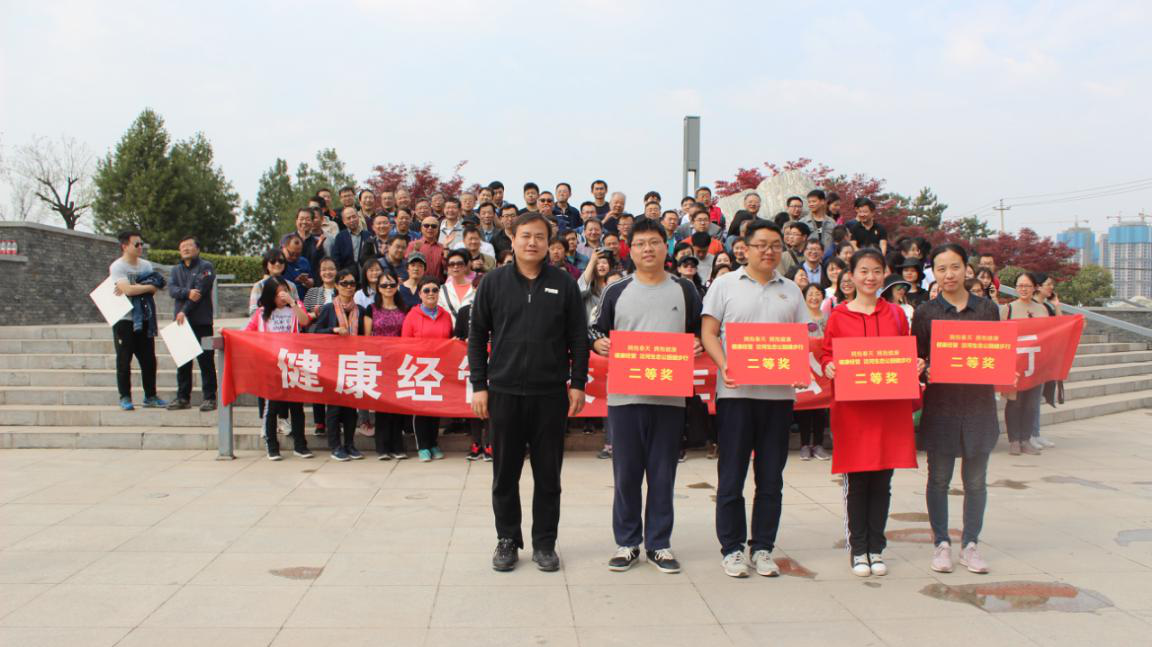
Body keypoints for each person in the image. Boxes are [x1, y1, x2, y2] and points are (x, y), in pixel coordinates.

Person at [468, 212, 590, 573]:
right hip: (503, 392)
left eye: (539, 236)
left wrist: (578, 383)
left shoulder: (564, 284)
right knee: (504, 473)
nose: (532, 243)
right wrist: (479, 386)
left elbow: (578, 338)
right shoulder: (493, 283)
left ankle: (545, 543)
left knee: (548, 475)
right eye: (525, 236)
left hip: (549, 394)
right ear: (512, 238)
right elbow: (477, 336)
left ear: (549, 243)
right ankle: (507, 539)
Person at [590, 219, 702, 574]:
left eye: (654, 242)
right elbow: (594, 328)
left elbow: (701, 329)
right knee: (626, 475)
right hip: (625, 398)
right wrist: (599, 342)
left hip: (670, 398)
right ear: (631, 250)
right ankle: (627, 542)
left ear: (666, 247)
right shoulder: (616, 290)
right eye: (640, 243)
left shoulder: (685, 289)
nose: (648, 249)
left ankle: (659, 544)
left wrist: (699, 343)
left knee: (663, 474)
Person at [700, 220, 808, 578]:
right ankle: (731, 548)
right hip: (736, 395)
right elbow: (709, 332)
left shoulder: (791, 290)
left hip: (778, 398)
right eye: (761, 244)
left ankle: (762, 547)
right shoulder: (725, 284)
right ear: (744, 248)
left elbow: (800, 339)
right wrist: (724, 364)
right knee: (731, 476)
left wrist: (802, 367)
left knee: (771, 478)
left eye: (775, 245)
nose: (769, 251)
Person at [821, 248, 921, 576]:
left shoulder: (895, 314)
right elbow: (826, 354)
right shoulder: (839, 315)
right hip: (854, 412)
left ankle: (876, 547)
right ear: (851, 275)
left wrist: (914, 364)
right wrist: (829, 365)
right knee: (858, 480)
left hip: (887, 409)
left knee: (882, 480)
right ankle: (858, 547)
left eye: (876, 271)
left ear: (884, 274)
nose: (870, 277)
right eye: (863, 271)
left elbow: (905, 351)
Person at [911, 243, 1002, 575]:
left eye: (954, 267)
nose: (948, 274)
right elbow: (917, 358)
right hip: (942, 407)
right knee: (938, 479)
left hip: (979, 408)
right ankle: (941, 543)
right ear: (933, 273)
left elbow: (996, 353)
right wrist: (924, 368)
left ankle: (971, 544)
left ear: (967, 269)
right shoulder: (925, 312)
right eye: (941, 269)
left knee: (976, 481)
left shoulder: (987, 309)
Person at [243, 276, 313, 460]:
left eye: (284, 292)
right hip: (271, 366)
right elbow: (247, 332)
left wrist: (293, 303)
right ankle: (272, 445)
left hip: (292, 363)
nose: (282, 296)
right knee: (272, 407)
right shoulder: (261, 313)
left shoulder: (295, 307)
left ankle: (300, 445)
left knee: (296, 407)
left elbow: (305, 321)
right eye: (277, 293)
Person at [312, 269, 368, 462]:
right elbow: (315, 332)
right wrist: (333, 330)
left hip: (353, 363)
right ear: (336, 286)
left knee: (351, 408)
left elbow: (365, 336)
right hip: (332, 364)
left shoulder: (360, 310)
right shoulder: (329, 308)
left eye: (352, 283)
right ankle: (335, 446)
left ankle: (350, 444)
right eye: (344, 283)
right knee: (334, 408)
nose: (349, 287)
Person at [109, 231, 167, 411]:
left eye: (141, 244)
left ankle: (150, 396)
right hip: (124, 319)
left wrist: (135, 287)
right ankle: (125, 396)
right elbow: (128, 290)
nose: (140, 247)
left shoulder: (146, 265)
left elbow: (155, 287)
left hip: (144, 317)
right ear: (124, 246)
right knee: (124, 359)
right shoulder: (117, 267)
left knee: (149, 359)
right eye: (136, 244)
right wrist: (143, 287)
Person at [399, 276, 453, 461]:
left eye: (435, 290)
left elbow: (449, 340)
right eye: (427, 290)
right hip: (419, 369)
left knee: (435, 409)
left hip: (438, 369)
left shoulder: (445, 315)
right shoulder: (412, 316)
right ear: (420, 294)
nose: (431, 293)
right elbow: (405, 343)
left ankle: (433, 443)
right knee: (421, 409)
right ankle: (422, 446)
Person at [1000, 271, 1050, 456]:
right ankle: (1014, 440)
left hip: (1034, 364)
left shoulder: (1042, 309)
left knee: (1031, 404)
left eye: (1027, 286)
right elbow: (1001, 336)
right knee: (1015, 402)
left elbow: (1048, 335)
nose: (1023, 289)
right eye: (1020, 286)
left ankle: (1026, 439)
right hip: (1014, 364)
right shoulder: (1008, 309)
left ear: (1034, 287)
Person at [167, 235, 217, 411]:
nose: (185, 249)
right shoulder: (175, 270)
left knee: (206, 361)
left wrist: (184, 310)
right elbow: (172, 290)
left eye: (189, 245)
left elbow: (200, 292)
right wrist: (187, 292)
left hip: (202, 322)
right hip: (181, 323)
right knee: (183, 362)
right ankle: (182, 397)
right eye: (182, 246)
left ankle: (210, 398)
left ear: (198, 249)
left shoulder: (206, 267)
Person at [302, 256, 338, 436]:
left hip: (338, 343)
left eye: (331, 269)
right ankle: (319, 422)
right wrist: (315, 313)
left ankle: (335, 419)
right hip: (317, 342)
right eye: (324, 269)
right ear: (319, 272)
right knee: (318, 380)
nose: (327, 272)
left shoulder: (343, 289)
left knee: (335, 382)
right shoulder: (312, 292)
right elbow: (305, 317)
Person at [797, 283, 829, 461]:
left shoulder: (828, 317)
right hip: (804, 364)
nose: (814, 297)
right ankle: (804, 444)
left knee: (820, 406)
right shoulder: (799, 317)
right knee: (805, 405)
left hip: (821, 368)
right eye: (810, 294)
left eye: (818, 294)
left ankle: (818, 444)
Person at [327, 206, 376, 273]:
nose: (352, 220)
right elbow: (336, 259)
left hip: (366, 272)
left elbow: (373, 256)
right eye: (348, 218)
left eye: (354, 217)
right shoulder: (340, 237)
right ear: (344, 221)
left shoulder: (367, 235)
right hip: (347, 273)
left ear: (358, 217)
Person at [439, 249, 476, 326]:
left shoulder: (475, 289)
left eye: (459, 263)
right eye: (451, 264)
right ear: (448, 268)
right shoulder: (442, 290)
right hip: (449, 330)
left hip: (471, 330)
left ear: (465, 266)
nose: (455, 267)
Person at [408, 214, 446, 280]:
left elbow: (446, 269)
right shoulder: (413, 245)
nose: (430, 228)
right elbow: (407, 265)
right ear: (421, 228)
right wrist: (415, 251)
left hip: (437, 284)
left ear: (438, 229)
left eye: (434, 226)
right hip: (418, 283)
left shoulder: (442, 248)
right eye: (426, 225)